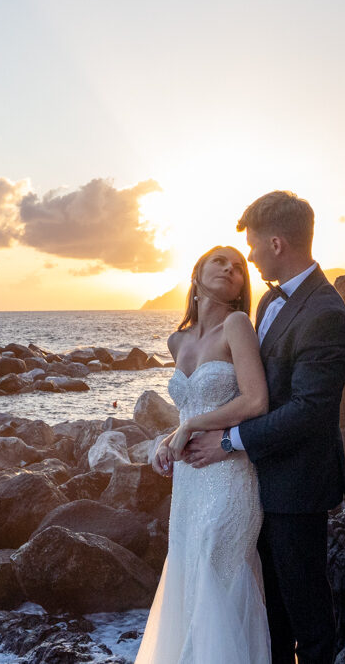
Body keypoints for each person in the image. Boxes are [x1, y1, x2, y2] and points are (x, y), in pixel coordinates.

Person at [183, 191, 345, 664]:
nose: (251, 257)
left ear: (277, 243)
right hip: (252, 485)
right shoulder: (267, 306)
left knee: (311, 623)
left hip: (297, 487)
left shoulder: (326, 314)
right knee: (268, 618)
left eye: (254, 247)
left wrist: (229, 442)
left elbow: (308, 411)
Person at [136, 244, 271, 664]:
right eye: (220, 262)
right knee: (190, 576)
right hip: (190, 482)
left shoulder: (237, 325)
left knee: (218, 566)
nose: (230, 270)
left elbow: (256, 401)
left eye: (238, 269)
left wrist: (192, 426)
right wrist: (169, 438)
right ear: (197, 273)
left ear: (239, 289)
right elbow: (189, 406)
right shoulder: (178, 340)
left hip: (230, 474)